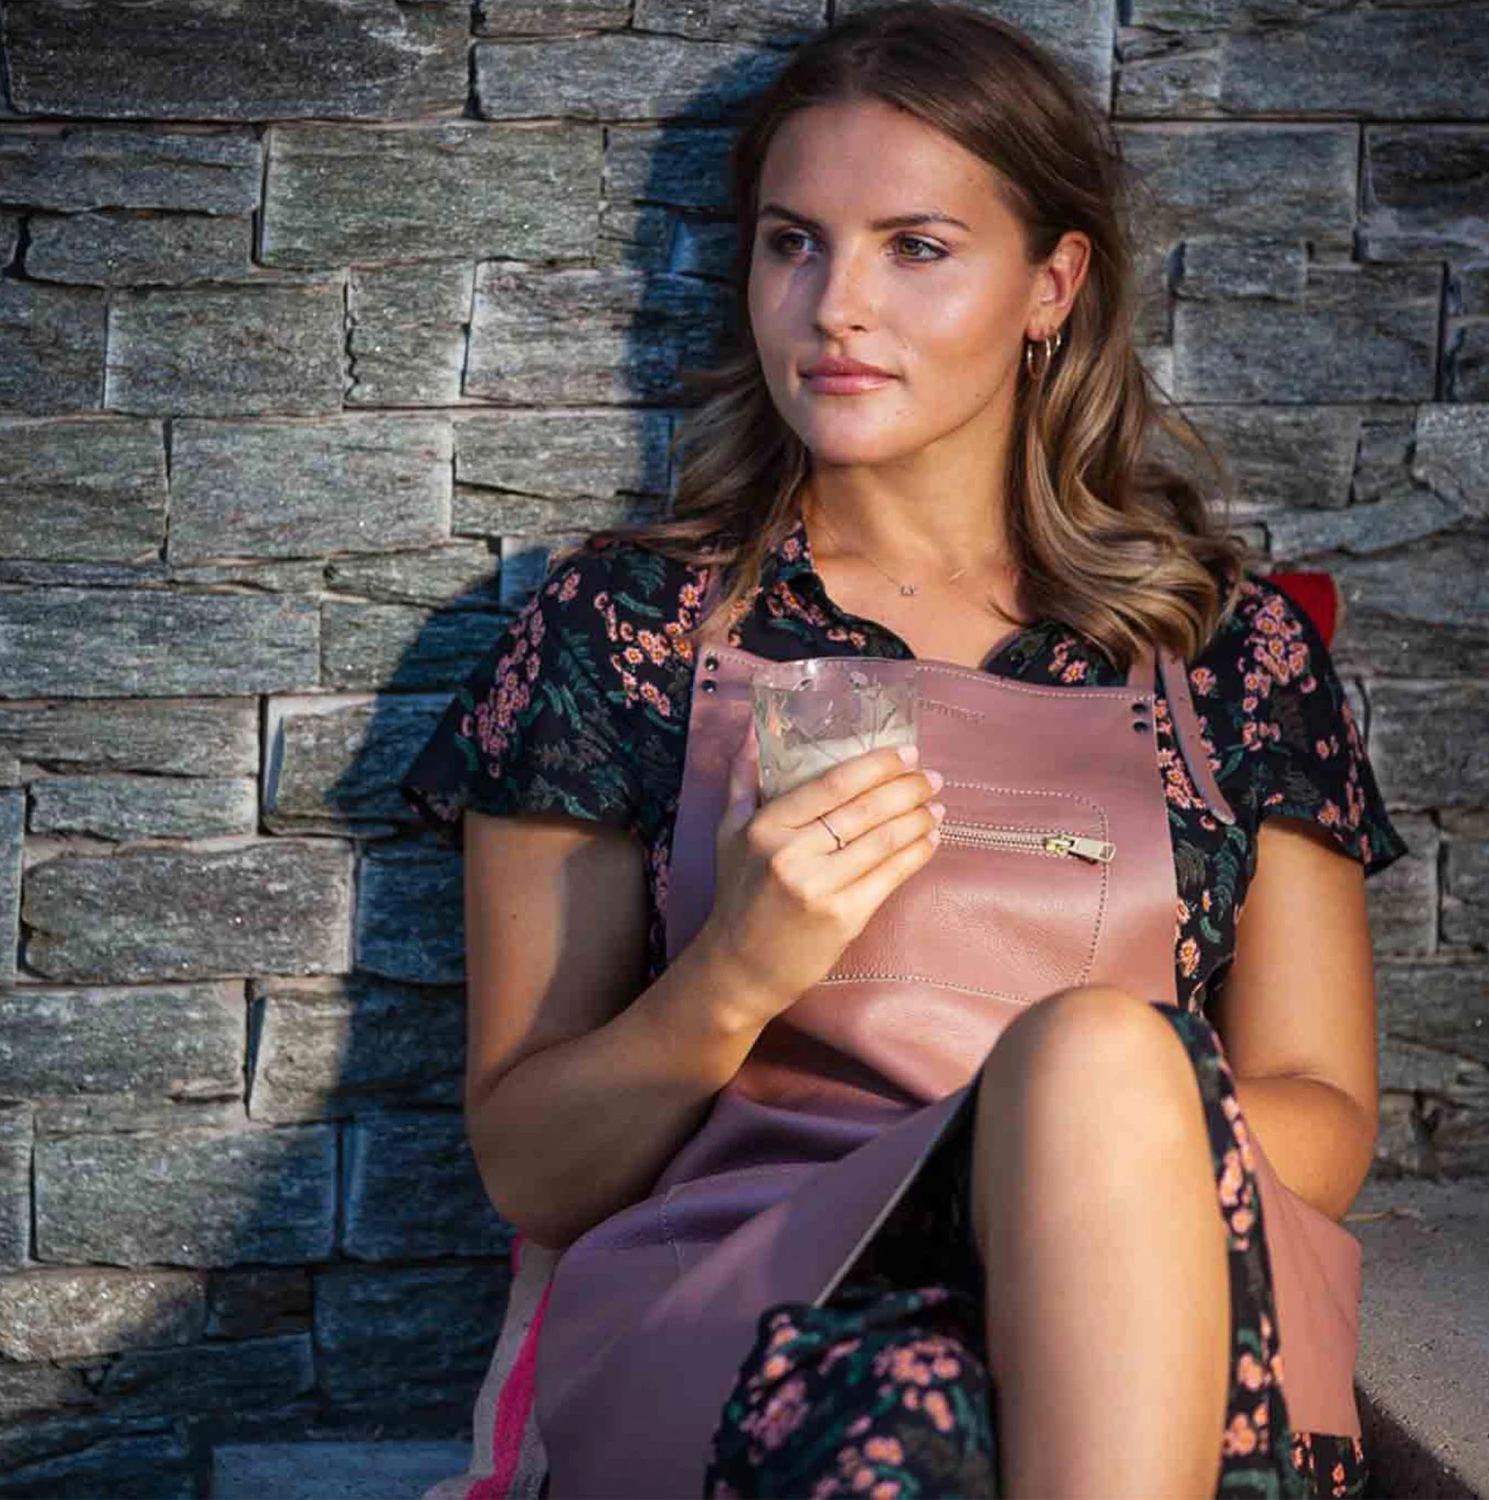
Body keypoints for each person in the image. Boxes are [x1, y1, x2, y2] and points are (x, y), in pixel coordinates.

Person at [399, 3, 1408, 1494]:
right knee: (913, 1404)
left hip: (1157, 1291)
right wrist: (739, 970)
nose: (835, 307)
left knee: (1096, 1059)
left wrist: (1068, 1144)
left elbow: (1323, 1106)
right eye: (793, 243)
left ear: (1051, 285)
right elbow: (533, 1170)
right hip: (759, 1315)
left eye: (916, 248)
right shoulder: (624, 629)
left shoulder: (1230, 648)